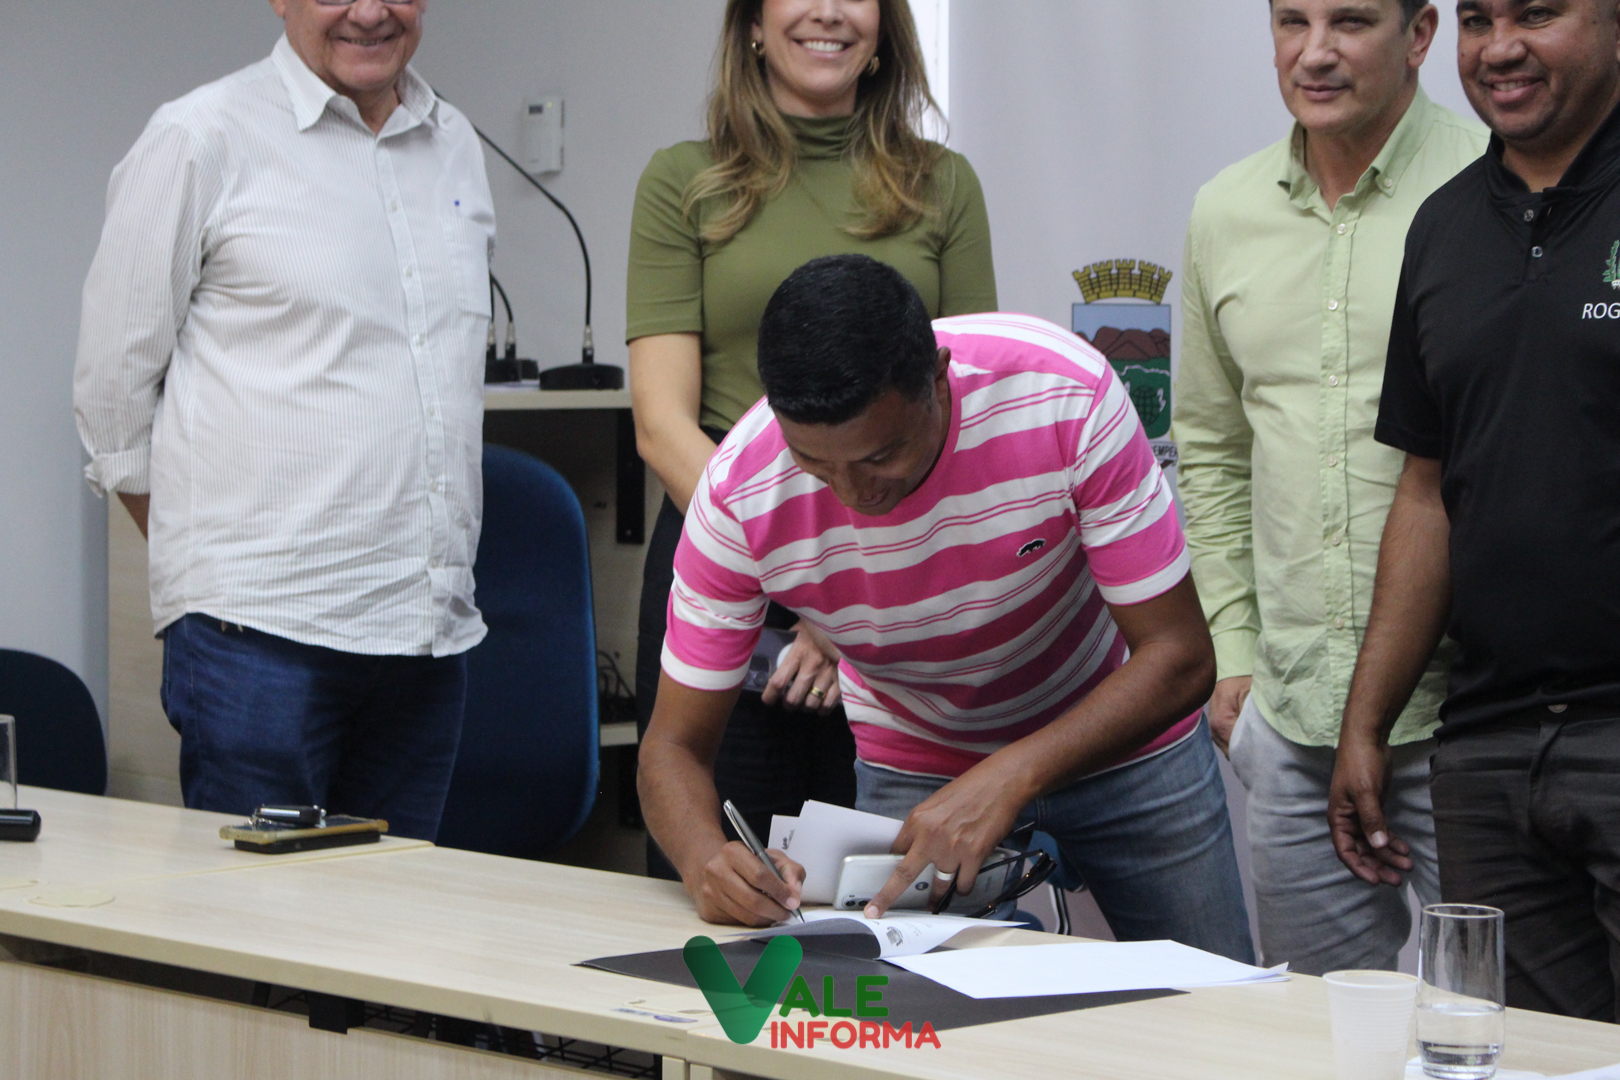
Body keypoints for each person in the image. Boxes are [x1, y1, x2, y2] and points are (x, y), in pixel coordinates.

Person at [638, 254, 1253, 961]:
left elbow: (1180, 657)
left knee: (1214, 998)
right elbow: (670, 748)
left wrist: (1011, 774)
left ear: (938, 378)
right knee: (906, 1016)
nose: (854, 494)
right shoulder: (737, 494)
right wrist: (705, 862)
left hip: (1124, 740)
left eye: (880, 457)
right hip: (917, 761)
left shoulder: (1063, 394)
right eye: (816, 463)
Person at [72, 0, 492, 841]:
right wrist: (222, 564)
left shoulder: (454, 142)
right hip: (258, 643)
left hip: (424, 639)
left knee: (402, 919)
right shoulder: (200, 138)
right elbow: (111, 401)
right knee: (257, 919)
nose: (370, 12)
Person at [626, 0, 996, 876]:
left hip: (903, 571)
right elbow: (660, 424)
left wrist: (848, 599)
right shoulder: (684, 180)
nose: (828, 11)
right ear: (752, 23)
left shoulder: (944, 183)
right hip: (725, 563)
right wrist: (805, 583)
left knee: (890, 894)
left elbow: (967, 396)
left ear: (886, 26)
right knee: (724, 881)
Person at [1175, 0, 1485, 975]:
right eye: (1291, 22)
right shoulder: (1225, 210)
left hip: (1473, 716)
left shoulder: (1496, 185)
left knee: (1512, 1028)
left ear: (1420, 35)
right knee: (1320, 1034)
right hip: (1294, 719)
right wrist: (1233, 655)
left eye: (1348, 21)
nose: (1314, 53)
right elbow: (1212, 449)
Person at [1331, 0, 1620, 1021]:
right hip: (1489, 746)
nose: (1500, 48)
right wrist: (1366, 720)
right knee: (1531, 1060)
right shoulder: (1444, 225)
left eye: (1537, 13)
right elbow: (1429, 490)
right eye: (1478, 18)